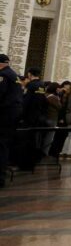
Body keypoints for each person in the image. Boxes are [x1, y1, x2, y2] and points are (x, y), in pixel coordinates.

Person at [0, 54, 23, 188]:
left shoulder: (3, 75)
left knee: (1, 145)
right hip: (13, 114)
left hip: (4, 114)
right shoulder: (14, 75)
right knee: (4, 145)